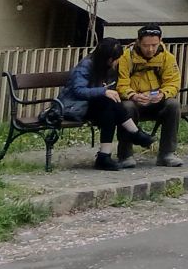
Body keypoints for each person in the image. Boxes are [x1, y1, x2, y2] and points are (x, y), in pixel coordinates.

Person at [54, 38, 155, 170]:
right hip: (74, 107)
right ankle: (134, 134)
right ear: (108, 58)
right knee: (109, 103)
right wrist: (103, 91)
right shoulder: (86, 65)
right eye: (116, 59)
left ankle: (105, 156)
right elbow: (78, 91)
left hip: (92, 106)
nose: (118, 61)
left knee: (110, 107)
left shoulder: (106, 67)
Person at [117, 24, 186, 166]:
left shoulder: (168, 58)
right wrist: (132, 95)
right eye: (146, 45)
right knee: (126, 107)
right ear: (138, 42)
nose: (150, 49)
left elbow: (173, 83)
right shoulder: (126, 57)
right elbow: (121, 84)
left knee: (173, 105)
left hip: (156, 100)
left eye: (154, 45)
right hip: (134, 100)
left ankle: (167, 154)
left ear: (160, 41)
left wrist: (163, 94)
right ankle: (125, 155)